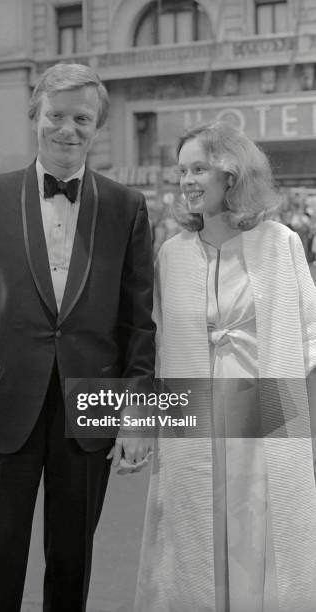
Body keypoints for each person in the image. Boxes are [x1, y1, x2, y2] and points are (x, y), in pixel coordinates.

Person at [0, 63, 155, 612]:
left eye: (82, 118)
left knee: (72, 560)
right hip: (2, 404)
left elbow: (138, 322)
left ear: (97, 126)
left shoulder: (127, 207)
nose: (68, 129)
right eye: (57, 115)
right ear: (36, 114)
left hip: (94, 406)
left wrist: (137, 416)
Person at [134, 122, 316, 612]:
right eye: (182, 171)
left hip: (265, 419)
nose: (187, 180)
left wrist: (303, 428)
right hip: (194, 418)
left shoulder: (282, 244)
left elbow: (307, 338)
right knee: (196, 529)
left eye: (199, 168)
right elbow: (158, 345)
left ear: (233, 175)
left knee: (259, 528)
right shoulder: (171, 253)